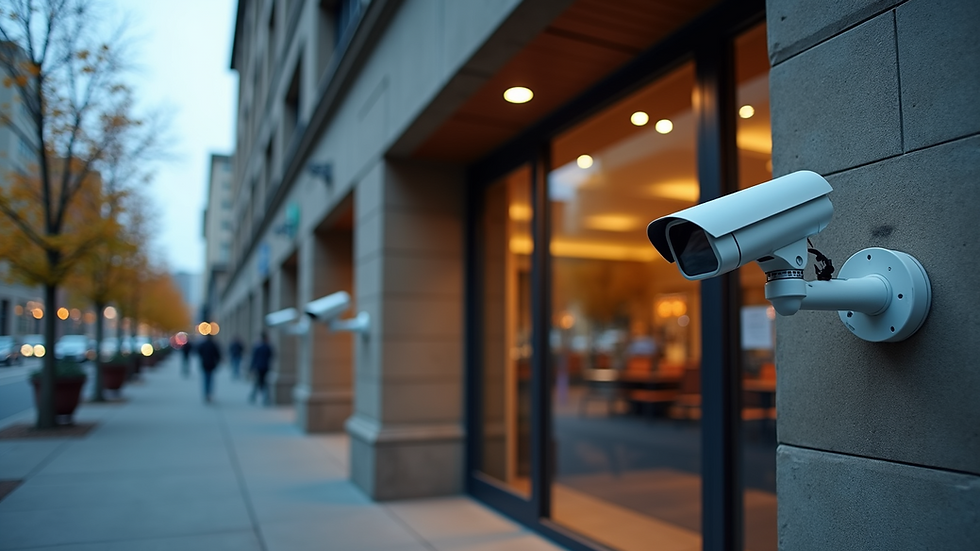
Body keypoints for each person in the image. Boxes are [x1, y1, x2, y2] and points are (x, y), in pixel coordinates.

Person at [249, 332, 274, 405]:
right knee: (263, 383)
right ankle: (265, 398)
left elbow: (254, 358)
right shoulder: (267, 347)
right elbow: (272, 356)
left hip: (259, 367)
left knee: (258, 382)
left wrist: (251, 367)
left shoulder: (258, 347)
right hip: (265, 367)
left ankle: (255, 396)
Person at [196, 334, 222, 403]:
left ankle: (206, 394)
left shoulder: (203, 344)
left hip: (205, 364)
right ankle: (209, 394)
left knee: (205, 379)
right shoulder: (214, 344)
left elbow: (199, 352)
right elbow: (218, 355)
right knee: (210, 379)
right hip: (211, 364)